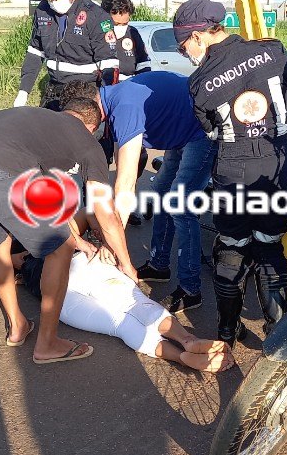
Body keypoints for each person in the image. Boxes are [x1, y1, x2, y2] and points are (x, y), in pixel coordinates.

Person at [0, 97, 138, 364]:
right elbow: (105, 211)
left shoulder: (42, 124)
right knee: (60, 248)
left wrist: (78, 239)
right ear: (93, 127)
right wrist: (126, 264)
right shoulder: (86, 140)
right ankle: (48, 344)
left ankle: (17, 326)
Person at [172, 0, 287, 345]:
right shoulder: (274, 52)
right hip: (278, 166)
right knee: (269, 246)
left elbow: (212, 133)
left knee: (231, 247)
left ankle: (227, 329)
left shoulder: (198, 83)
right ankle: (277, 331)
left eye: (183, 46)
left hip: (232, 168)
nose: (185, 54)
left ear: (198, 36)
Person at [63, 73, 215, 312]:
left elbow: (125, 183)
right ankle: (159, 265)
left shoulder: (124, 108)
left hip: (201, 133)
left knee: (180, 205)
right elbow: (122, 168)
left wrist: (111, 243)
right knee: (160, 191)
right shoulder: (112, 101)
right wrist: (109, 228)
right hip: (180, 132)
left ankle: (190, 290)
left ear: (90, 109)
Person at [13, 249, 233, 373]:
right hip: (87, 260)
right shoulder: (54, 216)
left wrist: (20, 266)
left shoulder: (12, 242)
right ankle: (188, 340)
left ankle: (180, 357)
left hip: (58, 290)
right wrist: (124, 263)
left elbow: (6, 263)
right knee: (138, 304)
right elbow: (96, 218)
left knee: (119, 324)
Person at [15, 0, 119, 110]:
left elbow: (109, 66)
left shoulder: (96, 16)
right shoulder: (43, 11)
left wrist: (104, 102)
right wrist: (23, 92)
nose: (54, 2)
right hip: (54, 90)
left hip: (85, 91)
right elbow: (35, 52)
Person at [100, 0, 150, 81]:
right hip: (103, 86)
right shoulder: (96, 33)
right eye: (116, 24)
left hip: (129, 85)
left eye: (125, 24)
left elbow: (143, 63)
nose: (121, 27)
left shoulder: (132, 33)